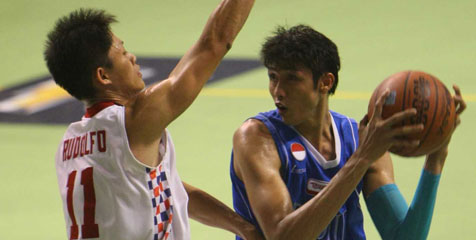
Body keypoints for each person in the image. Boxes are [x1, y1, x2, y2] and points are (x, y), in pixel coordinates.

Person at [45, 1, 262, 239]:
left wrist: (241, 227)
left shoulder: (69, 144)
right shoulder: (132, 122)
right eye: (122, 52)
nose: (132, 57)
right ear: (103, 75)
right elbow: (215, 42)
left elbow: (168, 188)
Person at [230, 25, 466, 240]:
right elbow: (284, 237)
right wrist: (361, 159)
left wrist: (435, 158)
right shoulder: (256, 139)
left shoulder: (358, 137)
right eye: (273, 77)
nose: (278, 91)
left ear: (325, 82)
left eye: (292, 79)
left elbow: (405, 237)